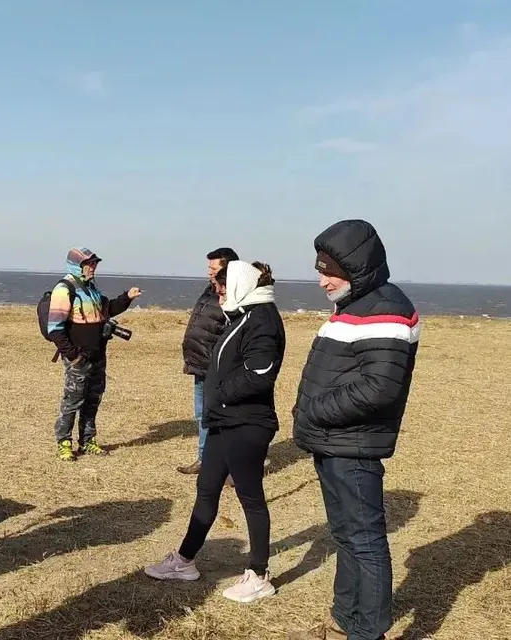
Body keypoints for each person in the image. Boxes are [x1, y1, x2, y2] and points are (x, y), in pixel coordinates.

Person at [288, 220, 420, 640]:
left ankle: (369, 631)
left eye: (328, 270)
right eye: (319, 269)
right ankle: (346, 616)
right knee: (345, 535)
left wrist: (314, 411)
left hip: (353, 446)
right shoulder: (357, 304)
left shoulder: (387, 309)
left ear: (356, 268)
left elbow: (380, 388)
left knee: (364, 542)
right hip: (335, 441)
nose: (322, 279)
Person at [146, 260, 285, 604]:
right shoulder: (241, 316)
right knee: (206, 488)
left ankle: (259, 574)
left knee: (250, 497)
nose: (218, 292)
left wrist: (219, 392)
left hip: (247, 424)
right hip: (225, 422)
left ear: (239, 285)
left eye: (223, 287)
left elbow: (259, 374)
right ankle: (185, 561)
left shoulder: (263, 321)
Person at [46, 247, 141, 461]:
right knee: (72, 401)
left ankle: (88, 441)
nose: (93, 267)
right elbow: (55, 329)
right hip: (79, 359)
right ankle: (64, 442)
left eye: (95, 263)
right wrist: (73, 356)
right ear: (77, 265)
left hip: (98, 356)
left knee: (92, 401)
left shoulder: (92, 289)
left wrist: (127, 297)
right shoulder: (65, 289)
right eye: (89, 264)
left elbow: (107, 310)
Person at [178, 247, 239, 475]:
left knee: (221, 417)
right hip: (200, 363)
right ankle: (204, 459)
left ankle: (229, 466)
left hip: (218, 367)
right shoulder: (210, 290)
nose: (209, 272)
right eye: (209, 268)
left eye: (214, 268)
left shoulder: (233, 294)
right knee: (202, 415)